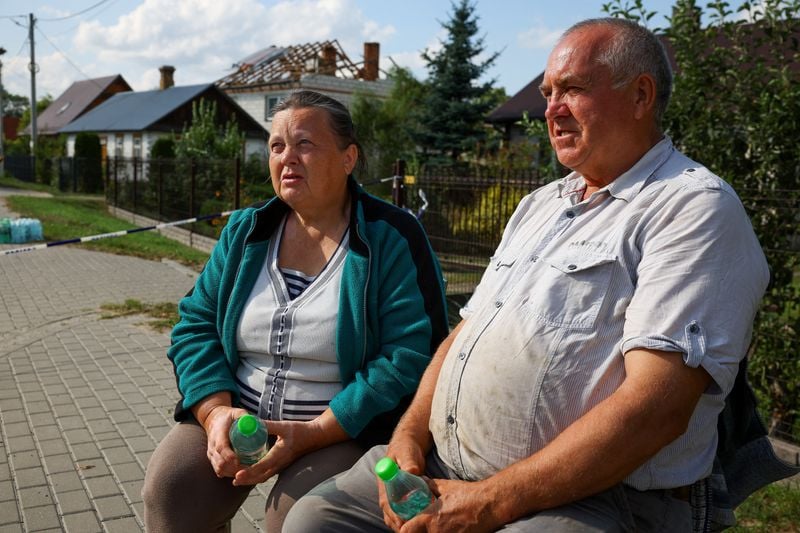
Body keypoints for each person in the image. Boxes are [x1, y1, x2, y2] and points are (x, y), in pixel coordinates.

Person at [283, 18, 772, 532]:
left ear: (640, 95)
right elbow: (464, 335)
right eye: (547, 94)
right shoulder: (541, 204)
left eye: (573, 89)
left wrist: (489, 503)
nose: (551, 110)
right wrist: (407, 438)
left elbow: (657, 408)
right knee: (313, 520)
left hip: (596, 496)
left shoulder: (692, 208)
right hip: (442, 467)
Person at [142, 90, 449, 532]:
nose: (287, 158)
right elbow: (196, 325)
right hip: (237, 414)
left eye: (304, 143)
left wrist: (317, 431)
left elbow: (409, 355)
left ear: (348, 158)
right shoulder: (246, 231)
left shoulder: (390, 236)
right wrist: (214, 413)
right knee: (171, 490)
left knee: (294, 519)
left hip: (336, 429)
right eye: (276, 146)